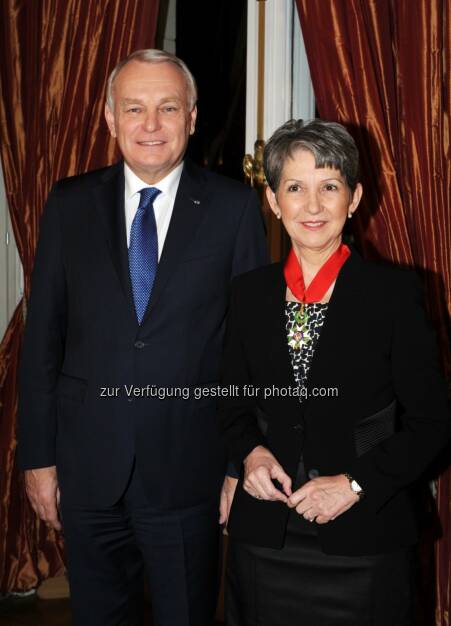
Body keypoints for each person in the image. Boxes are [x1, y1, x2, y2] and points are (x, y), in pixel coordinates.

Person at [17, 49, 267, 626]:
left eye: (167, 108)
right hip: (86, 470)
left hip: (188, 472)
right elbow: (43, 342)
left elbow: (250, 350)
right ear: (109, 118)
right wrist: (38, 458)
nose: (150, 125)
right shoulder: (67, 204)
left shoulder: (234, 209)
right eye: (134, 108)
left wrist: (238, 462)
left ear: (193, 117)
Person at [219, 119, 450, 626]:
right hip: (267, 538)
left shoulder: (395, 295)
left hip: (365, 536)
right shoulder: (249, 295)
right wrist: (249, 454)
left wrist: (355, 484)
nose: (314, 205)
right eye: (295, 188)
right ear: (274, 201)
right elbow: (230, 402)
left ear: (355, 196)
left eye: (330, 187)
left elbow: (433, 424)